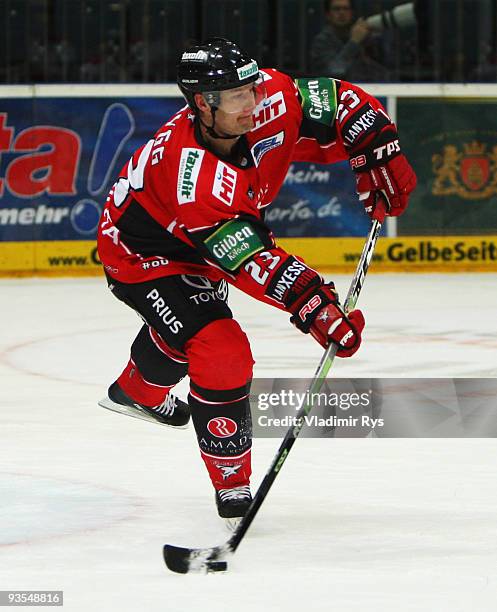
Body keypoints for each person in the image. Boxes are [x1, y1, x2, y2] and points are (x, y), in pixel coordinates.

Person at [97, 37, 416, 528]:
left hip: (195, 241)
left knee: (186, 327)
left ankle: (137, 390)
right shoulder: (194, 176)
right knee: (217, 347)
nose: (255, 101)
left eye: (252, 87)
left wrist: (378, 148)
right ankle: (232, 487)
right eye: (238, 95)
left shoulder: (268, 94)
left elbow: (345, 102)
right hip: (144, 252)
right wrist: (315, 304)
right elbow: (247, 258)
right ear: (203, 103)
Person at [310, 0, 389, 81]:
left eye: (346, 9)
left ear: (352, 13)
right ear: (328, 15)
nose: (342, 13)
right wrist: (354, 42)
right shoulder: (322, 41)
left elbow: (384, 69)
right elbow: (334, 72)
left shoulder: (362, 37)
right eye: (336, 9)